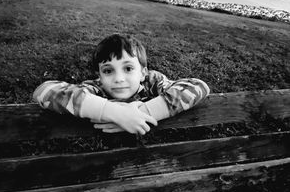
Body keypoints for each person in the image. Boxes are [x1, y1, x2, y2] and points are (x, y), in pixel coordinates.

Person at [33, 34, 210, 135]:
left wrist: (140, 114)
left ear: (143, 72)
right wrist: (114, 112)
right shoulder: (96, 89)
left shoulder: (153, 82)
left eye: (128, 68)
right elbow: (44, 91)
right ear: (100, 76)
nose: (118, 79)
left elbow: (198, 86)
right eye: (108, 71)